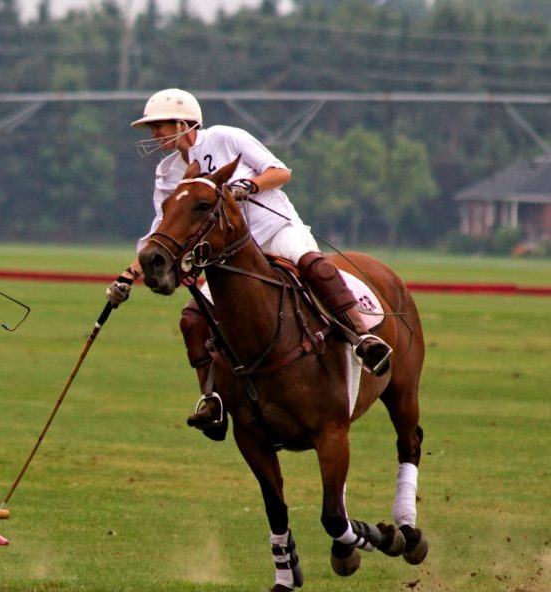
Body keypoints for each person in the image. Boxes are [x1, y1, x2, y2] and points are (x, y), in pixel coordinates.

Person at [107, 88, 392, 440]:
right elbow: (162, 232)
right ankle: (212, 399)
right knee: (193, 319)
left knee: (314, 266)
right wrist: (128, 275)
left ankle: (362, 337)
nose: (153, 135)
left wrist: (248, 186)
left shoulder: (227, 138)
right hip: (229, 253)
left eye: (159, 127)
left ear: (183, 123)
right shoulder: (168, 173)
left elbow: (280, 172)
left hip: (274, 230)